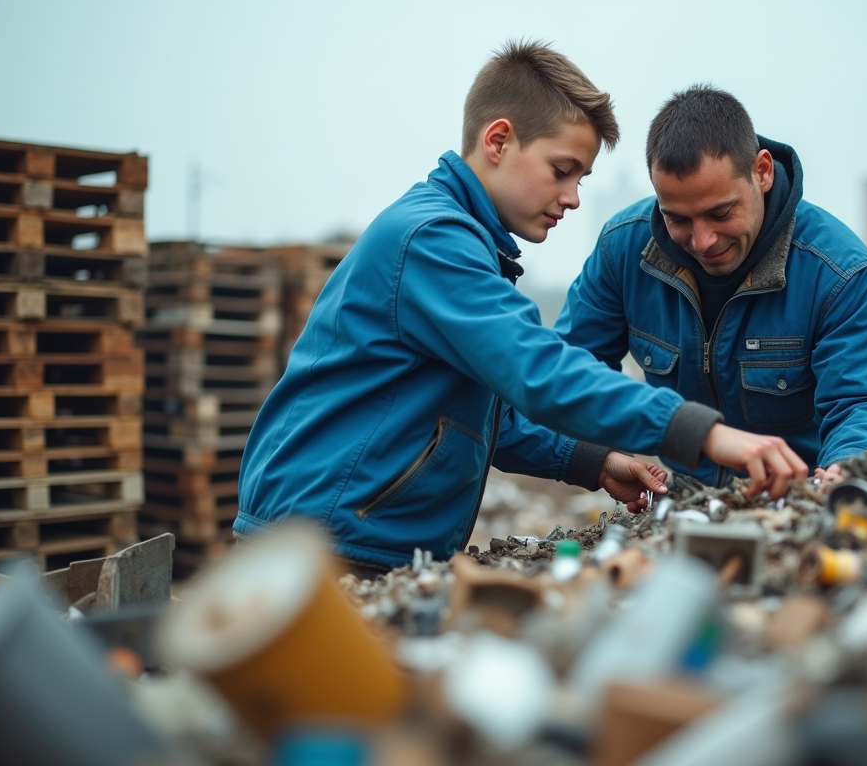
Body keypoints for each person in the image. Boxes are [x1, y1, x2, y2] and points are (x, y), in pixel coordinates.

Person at [237, 45, 807, 574]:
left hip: (348, 539)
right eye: (561, 170)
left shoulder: (461, 243)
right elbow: (537, 371)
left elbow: (485, 415)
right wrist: (704, 435)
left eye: (582, 178)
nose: (573, 197)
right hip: (320, 547)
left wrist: (593, 461)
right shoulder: (432, 241)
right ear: (498, 140)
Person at [556, 86, 867, 508]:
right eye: (678, 219)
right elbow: (567, 373)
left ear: (762, 172)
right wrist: (597, 458)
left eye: (721, 213)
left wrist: (847, 472)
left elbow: (860, 403)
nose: (702, 241)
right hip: (682, 504)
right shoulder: (622, 249)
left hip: (798, 503)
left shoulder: (840, 274)